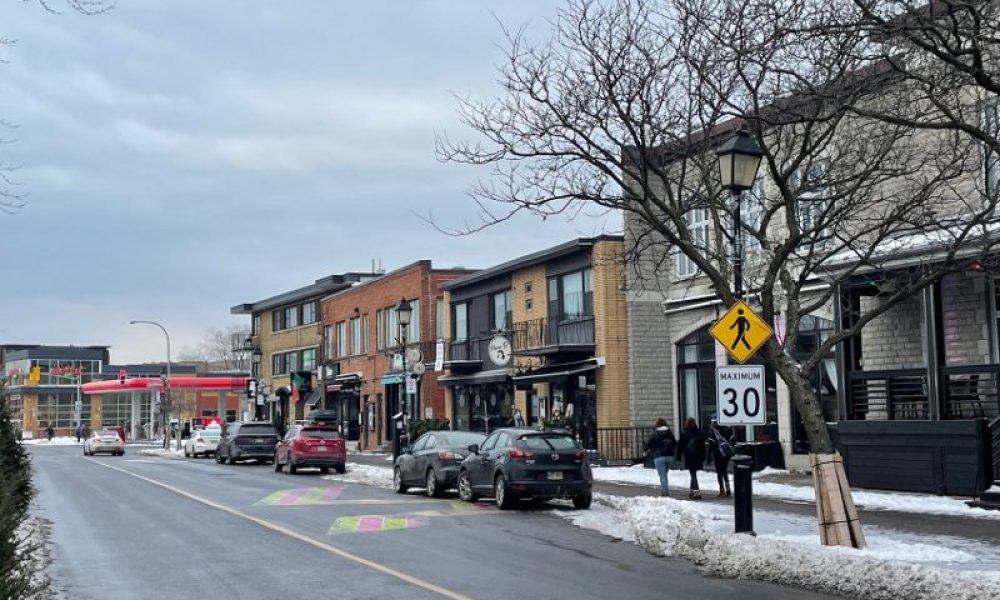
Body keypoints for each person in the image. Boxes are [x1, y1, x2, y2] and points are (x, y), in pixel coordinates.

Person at [642, 418, 677, 497]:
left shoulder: (655, 434)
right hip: (669, 456)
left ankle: (665, 493)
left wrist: (644, 450)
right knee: (664, 474)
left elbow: (649, 443)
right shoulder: (669, 433)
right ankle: (665, 490)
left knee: (662, 475)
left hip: (659, 456)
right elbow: (674, 444)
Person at [677, 417, 706, 499]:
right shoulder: (699, 432)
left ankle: (696, 491)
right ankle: (692, 490)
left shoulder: (684, 433)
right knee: (693, 473)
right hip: (698, 456)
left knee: (693, 474)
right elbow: (702, 446)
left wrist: (679, 456)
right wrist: (703, 457)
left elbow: (680, 445)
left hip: (689, 456)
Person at [707, 418, 735, 497]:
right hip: (726, 453)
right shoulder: (728, 429)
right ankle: (728, 487)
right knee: (724, 470)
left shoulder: (713, 432)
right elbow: (733, 441)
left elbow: (710, 445)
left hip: (717, 454)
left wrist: (709, 456)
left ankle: (722, 489)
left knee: (719, 472)